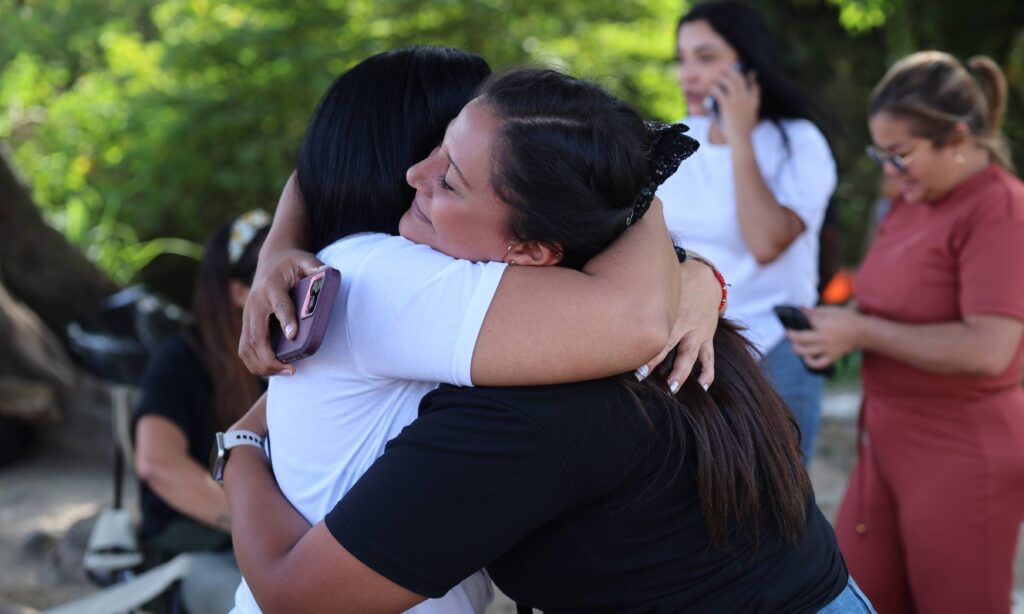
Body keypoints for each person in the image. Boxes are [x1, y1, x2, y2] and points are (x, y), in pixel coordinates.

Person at [224, 68, 871, 613]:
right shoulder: (630, 281)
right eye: (434, 149)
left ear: (532, 248)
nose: (415, 175)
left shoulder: (532, 399)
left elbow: (298, 595)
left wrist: (240, 447)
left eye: (450, 180)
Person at [789, 51, 1024, 613]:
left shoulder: (999, 208)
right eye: (881, 154)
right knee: (853, 597)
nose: (890, 171)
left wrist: (863, 333)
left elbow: (991, 348)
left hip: (959, 449)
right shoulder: (912, 200)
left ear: (957, 139)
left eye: (901, 154)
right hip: (883, 441)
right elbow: (883, 301)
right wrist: (837, 325)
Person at [659, 0, 836, 463]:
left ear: (748, 64)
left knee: (782, 493)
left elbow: (766, 243)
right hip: (692, 342)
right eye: (682, 59)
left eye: (706, 57)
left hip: (777, 349)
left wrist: (740, 136)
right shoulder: (677, 142)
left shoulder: (797, 140)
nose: (688, 74)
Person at [132, 210, 269, 613]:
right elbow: (157, 463)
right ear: (239, 291)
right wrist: (254, 523)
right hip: (193, 541)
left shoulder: (291, 355)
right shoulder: (180, 361)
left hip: (268, 539)